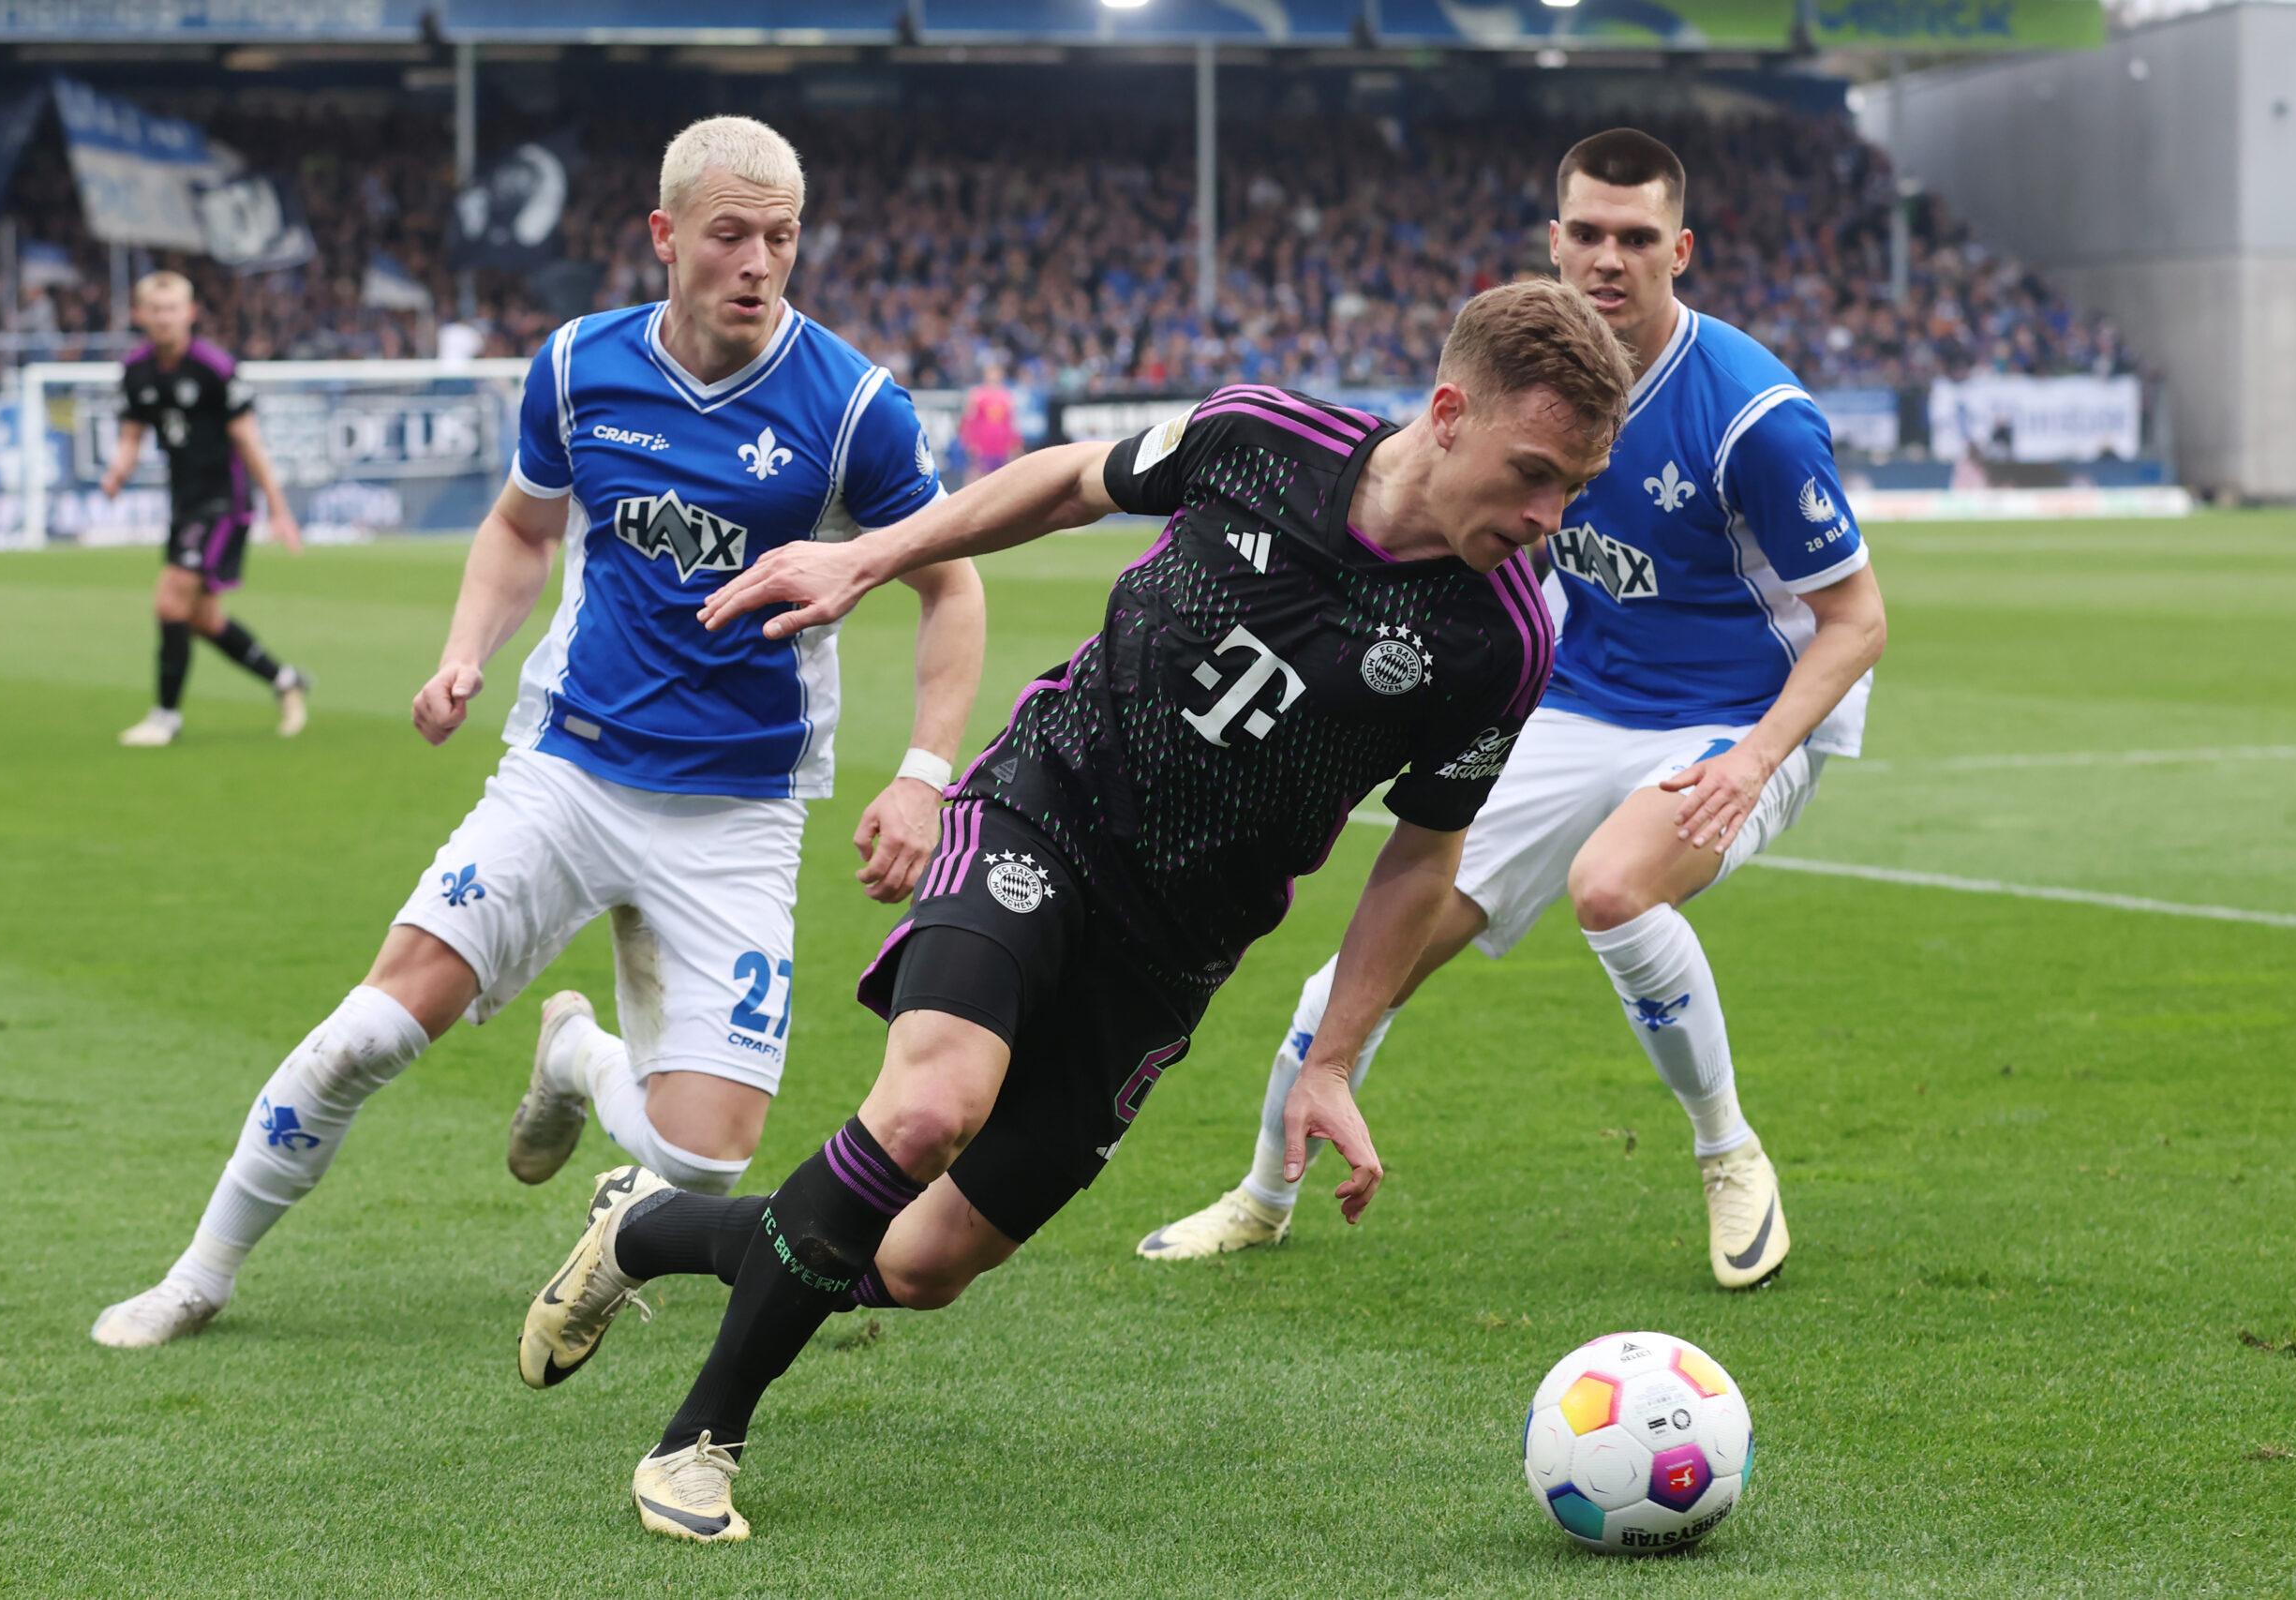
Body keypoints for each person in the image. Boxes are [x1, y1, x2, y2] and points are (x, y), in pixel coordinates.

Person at [514, 278, 1632, 1545]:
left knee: (927, 1261)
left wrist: (1330, 1058)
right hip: (1049, 803)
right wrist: (875, 552)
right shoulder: (1264, 439)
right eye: (1534, 473)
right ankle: (699, 1439)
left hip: (1172, 950)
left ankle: (648, 1225)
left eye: (1574, 493)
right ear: (1447, 413)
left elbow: (1424, 854)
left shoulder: (1505, 641)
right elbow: (1067, 483)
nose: (1546, 518)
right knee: (932, 1101)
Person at [89, 116, 985, 1348]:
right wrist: (466, 652)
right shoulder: (576, 366)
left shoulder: (854, 407)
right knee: (370, 1027)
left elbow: (954, 583)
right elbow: (522, 528)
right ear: (666, 236)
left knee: (699, 1156)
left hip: (736, 811)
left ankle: (573, 1054)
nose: (760, 263)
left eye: (782, 237)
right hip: (567, 771)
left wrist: (925, 773)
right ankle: (200, 1271)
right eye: (730, 234)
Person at [1138, 128, 1888, 1291]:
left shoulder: (1753, 415)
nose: (1606, 259)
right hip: (1577, 700)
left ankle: (1726, 1151)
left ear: (1678, 251)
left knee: (1611, 888)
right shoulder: (1517, 388)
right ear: (1552, 239)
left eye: (1635, 239)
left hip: (1737, 713)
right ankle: (1260, 1196)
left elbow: (1856, 622)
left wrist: (1752, 763)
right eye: (1584, 233)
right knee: (1364, 966)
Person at [102, 272, 309, 747]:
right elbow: (132, 435)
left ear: (190, 313)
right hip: (184, 502)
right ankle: (285, 680)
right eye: (155, 309)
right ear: (140, 316)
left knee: (170, 596)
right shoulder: (136, 371)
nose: (164, 317)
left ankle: (165, 717)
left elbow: (249, 442)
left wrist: (279, 509)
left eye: (172, 308)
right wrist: (118, 471)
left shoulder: (214, 368)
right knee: (202, 619)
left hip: (224, 502)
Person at [956, 363, 1022, 486]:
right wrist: (970, 442)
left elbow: (1010, 422)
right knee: (977, 477)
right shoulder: (977, 395)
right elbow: (969, 421)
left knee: (1001, 479)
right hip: (983, 445)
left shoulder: (1006, 396)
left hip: (1001, 445)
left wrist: (1014, 442)